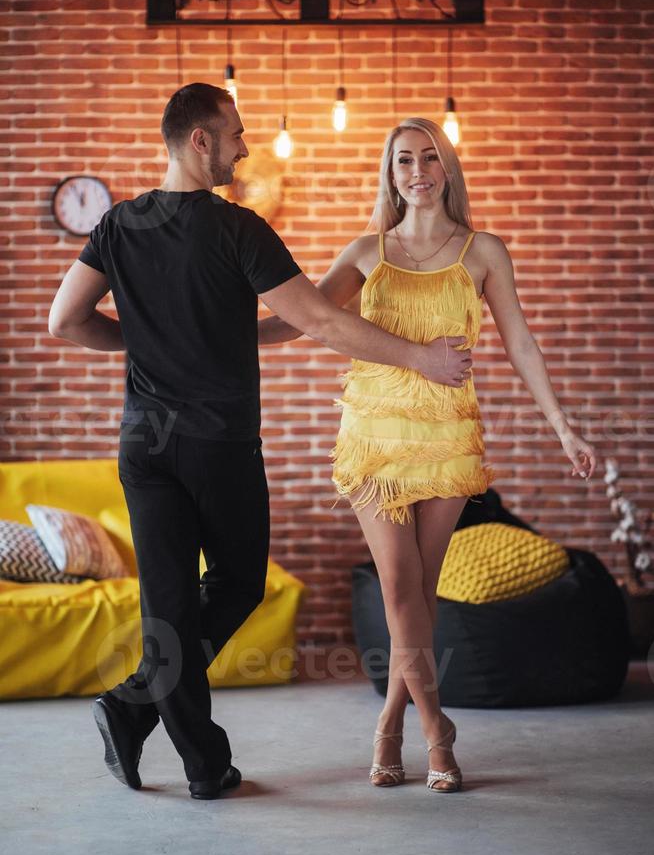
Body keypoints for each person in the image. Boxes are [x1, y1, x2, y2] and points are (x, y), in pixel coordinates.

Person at [48, 85, 474, 800]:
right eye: (237, 134)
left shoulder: (118, 225)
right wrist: (420, 357)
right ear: (201, 142)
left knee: (169, 607)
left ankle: (184, 752)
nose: (245, 148)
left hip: (144, 444)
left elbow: (65, 320)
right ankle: (150, 721)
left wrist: (145, 344)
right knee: (239, 584)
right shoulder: (237, 229)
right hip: (217, 445)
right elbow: (321, 321)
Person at [257, 116, 598, 792]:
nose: (417, 171)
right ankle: (435, 727)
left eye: (429, 158)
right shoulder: (364, 252)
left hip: (446, 437)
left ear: (447, 170)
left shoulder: (483, 251)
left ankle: (389, 720)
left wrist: (562, 425)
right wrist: (215, 327)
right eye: (403, 160)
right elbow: (304, 319)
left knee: (420, 589)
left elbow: (520, 341)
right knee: (395, 584)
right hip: (375, 436)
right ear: (390, 173)